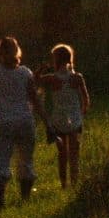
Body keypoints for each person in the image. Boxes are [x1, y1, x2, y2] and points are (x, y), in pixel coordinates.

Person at [0, 36, 39, 206]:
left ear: (0, 53)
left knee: (1, 163)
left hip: (2, 122)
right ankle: (25, 199)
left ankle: (1, 200)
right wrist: (46, 122)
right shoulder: (26, 73)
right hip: (24, 120)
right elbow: (34, 99)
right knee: (26, 161)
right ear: (17, 51)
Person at [37, 43, 92, 190]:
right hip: (74, 118)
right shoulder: (77, 78)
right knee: (74, 154)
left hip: (58, 119)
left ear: (56, 60)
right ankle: (74, 182)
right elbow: (86, 99)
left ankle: (63, 185)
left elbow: (34, 80)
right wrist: (82, 113)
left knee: (62, 154)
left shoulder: (52, 78)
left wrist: (41, 68)